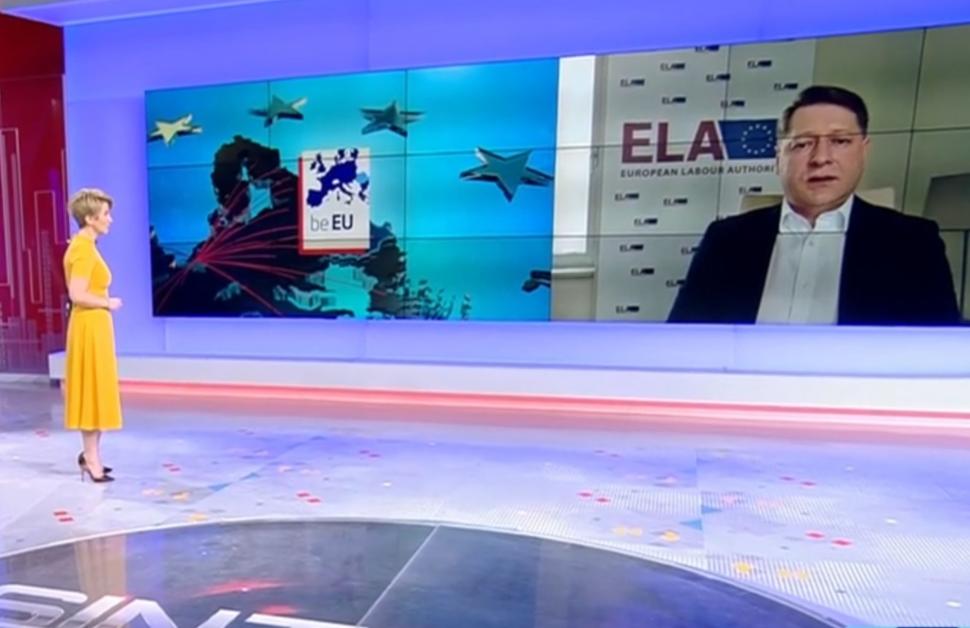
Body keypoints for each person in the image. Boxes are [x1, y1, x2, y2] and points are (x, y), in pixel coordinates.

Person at [667, 85, 961, 326]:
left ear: (863, 152)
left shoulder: (914, 242)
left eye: (840, 141)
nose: (821, 158)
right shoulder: (725, 240)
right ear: (778, 158)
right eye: (802, 144)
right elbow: (684, 339)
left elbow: (937, 351)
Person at [63, 188, 123, 483]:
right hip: (88, 326)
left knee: (97, 389)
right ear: (89, 218)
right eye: (105, 214)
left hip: (95, 326)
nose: (110, 219)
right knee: (91, 390)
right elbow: (77, 294)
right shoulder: (83, 250)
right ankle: (91, 457)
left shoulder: (86, 246)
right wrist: (107, 302)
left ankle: (92, 454)